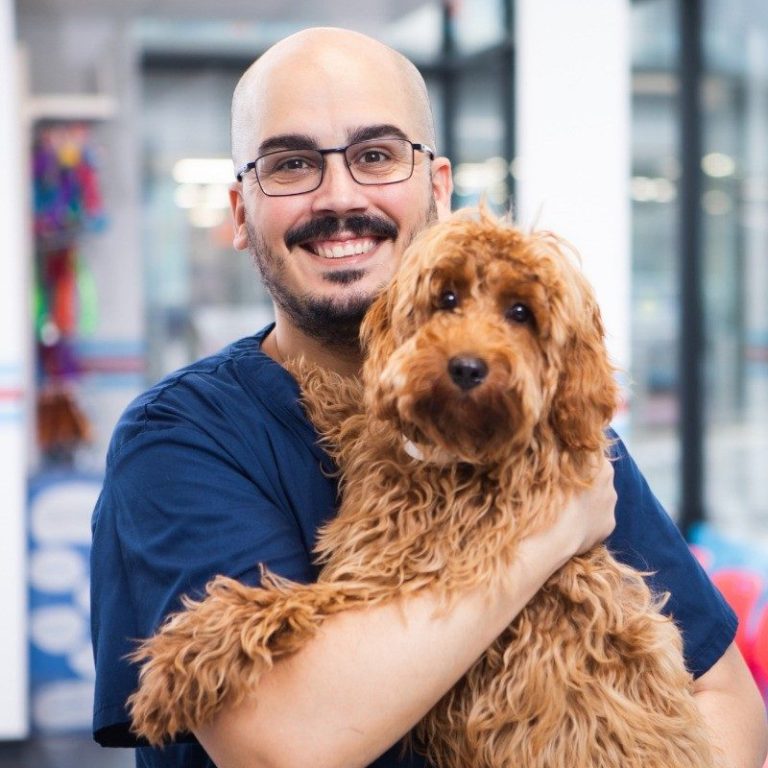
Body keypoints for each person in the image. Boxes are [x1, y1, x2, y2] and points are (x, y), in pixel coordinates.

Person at [90, 26, 767, 768]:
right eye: (290, 165)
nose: (340, 196)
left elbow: (725, 697)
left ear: (437, 187)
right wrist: (547, 535)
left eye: (376, 156)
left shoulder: (545, 422)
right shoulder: (181, 439)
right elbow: (280, 747)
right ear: (241, 210)